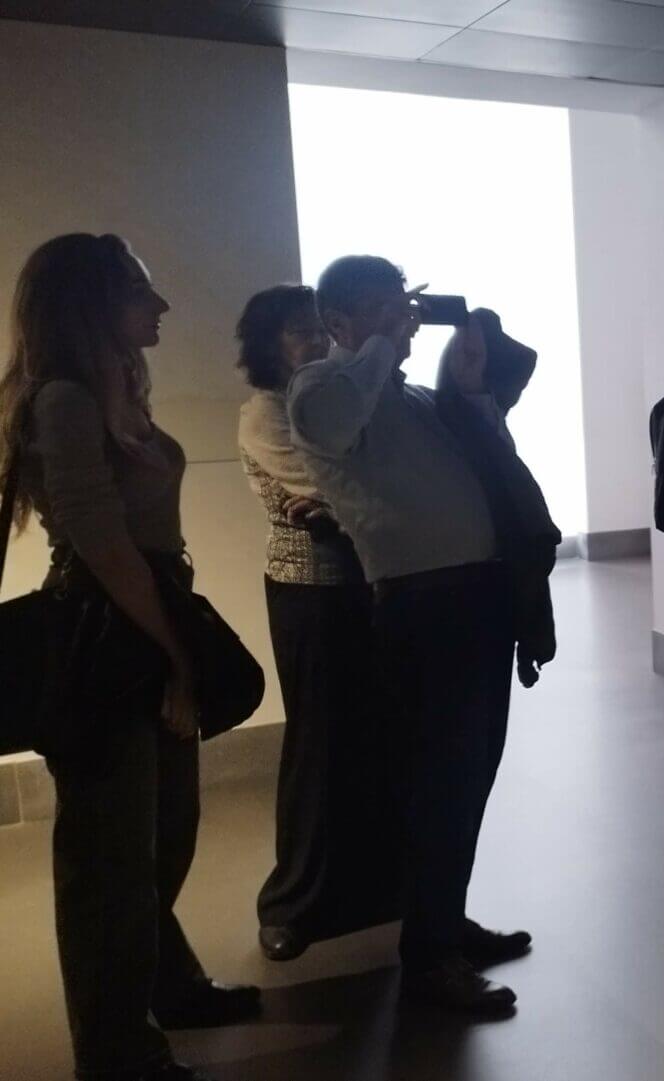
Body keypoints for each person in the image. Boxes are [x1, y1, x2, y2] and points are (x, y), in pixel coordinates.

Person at [0, 234, 258, 1081]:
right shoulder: (64, 400)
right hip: (108, 635)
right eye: (140, 292)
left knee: (164, 830)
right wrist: (176, 657)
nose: (161, 306)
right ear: (91, 305)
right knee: (109, 858)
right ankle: (116, 1052)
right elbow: (103, 544)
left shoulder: (111, 389)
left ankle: (165, 982)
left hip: (140, 617)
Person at [287, 255, 529, 1015]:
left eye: (405, 309)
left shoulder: (414, 398)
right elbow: (331, 427)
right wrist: (380, 345)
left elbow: (493, 460)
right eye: (385, 308)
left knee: (472, 774)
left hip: (478, 598)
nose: (405, 323)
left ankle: (444, 921)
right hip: (425, 607)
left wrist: (471, 386)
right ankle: (429, 959)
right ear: (338, 322)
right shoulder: (319, 388)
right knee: (441, 784)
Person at [234, 285, 402, 962]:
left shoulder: (331, 396)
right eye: (297, 330)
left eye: (318, 327)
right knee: (316, 745)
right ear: (268, 345)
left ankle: (369, 889)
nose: (315, 339)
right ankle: (292, 903)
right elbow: (332, 483)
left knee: (371, 737)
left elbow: (363, 480)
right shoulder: (265, 411)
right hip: (308, 591)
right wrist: (356, 497)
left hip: (364, 585)